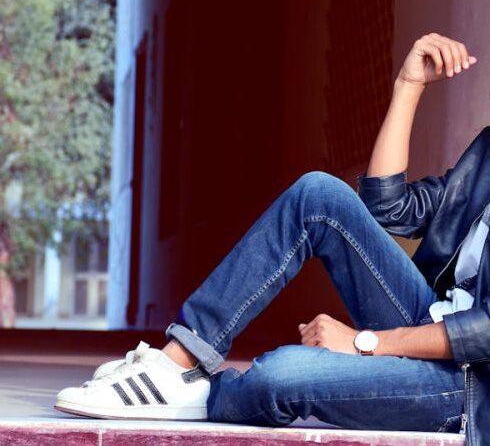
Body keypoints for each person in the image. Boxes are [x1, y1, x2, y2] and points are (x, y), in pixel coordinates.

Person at [55, 33, 488, 441]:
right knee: (319, 195)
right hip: (428, 317)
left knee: (279, 376)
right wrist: (408, 86)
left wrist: (363, 344)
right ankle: (178, 362)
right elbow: (388, 209)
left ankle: (202, 396)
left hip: (466, 384)